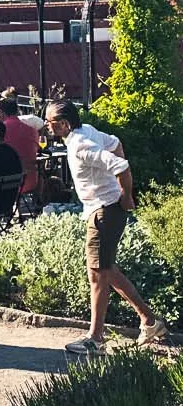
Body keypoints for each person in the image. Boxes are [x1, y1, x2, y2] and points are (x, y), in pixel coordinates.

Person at [45, 100, 166, 355]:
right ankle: (149, 322)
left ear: (64, 124)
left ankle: (96, 339)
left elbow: (120, 165)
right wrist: (119, 192)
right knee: (107, 271)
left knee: (97, 274)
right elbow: (116, 143)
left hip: (104, 211)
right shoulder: (86, 130)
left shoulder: (79, 144)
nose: (47, 126)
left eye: (50, 122)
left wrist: (126, 195)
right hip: (105, 209)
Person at [0, 96, 39, 195]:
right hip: (31, 180)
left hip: (8, 183)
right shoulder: (32, 130)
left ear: (1, 113)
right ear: (17, 111)